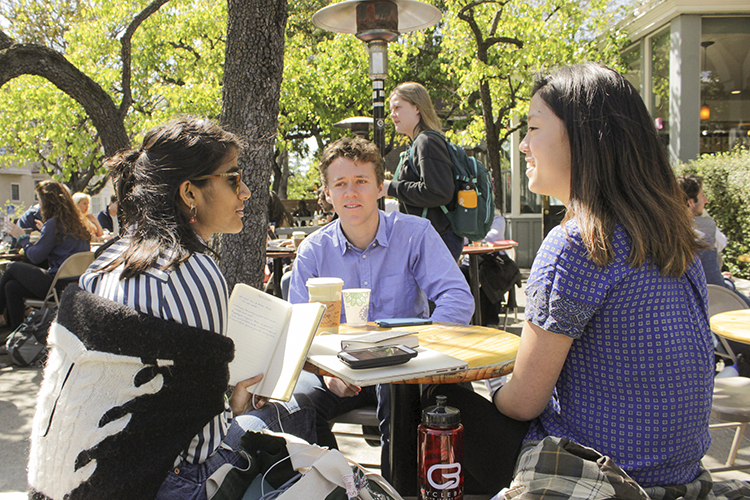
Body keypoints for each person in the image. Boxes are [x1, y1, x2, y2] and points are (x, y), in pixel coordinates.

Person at [423, 63, 717, 497]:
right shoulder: (677, 237)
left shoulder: (577, 243)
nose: (523, 144)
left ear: (581, 139)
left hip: (602, 476)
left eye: (534, 128)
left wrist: (494, 386)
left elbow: (524, 402)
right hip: (680, 473)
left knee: (426, 396)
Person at [27, 118, 316, 500]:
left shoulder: (109, 256)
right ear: (189, 192)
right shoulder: (192, 270)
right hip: (161, 480)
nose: (245, 191)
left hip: (71, 474)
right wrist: (232, 404)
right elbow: (203, 444)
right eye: (233, 178)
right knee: (302, 407)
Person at [289, 136, 473, 479]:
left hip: (403, 365)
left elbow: (456, 297)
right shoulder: (314, 250)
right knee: (294, 404)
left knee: (400, 395)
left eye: (361, 182)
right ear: (327, 193)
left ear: (380, 187)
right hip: (340, 370)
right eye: (340, 184)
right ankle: (342, 483)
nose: (350, 193)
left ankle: (396, 487)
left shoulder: (414, 233)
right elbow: (298, 327)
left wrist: (423, 351)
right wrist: (328, 372)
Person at [384, 82, 462, 261]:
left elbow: (439, 192)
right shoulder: (419, 143)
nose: (392, 114)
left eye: (397, 107)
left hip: (437, 239)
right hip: (432, 238)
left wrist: (391, 188)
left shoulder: (426, 142)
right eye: (391, 109)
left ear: (417, 108)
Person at [1, 180, 91, 329]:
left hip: (56, 286)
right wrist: (45, 232)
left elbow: (35, 256)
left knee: (11, 268)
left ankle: (0, 316)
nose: (39, 206)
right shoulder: (78, 223)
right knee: (11, 287)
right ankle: (16, 335)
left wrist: (22, 237)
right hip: (76, 284)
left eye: (39, 200)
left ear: (48, 203)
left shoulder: (54, 224)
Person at [677, 175, 750, 307]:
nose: (706, 200)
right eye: (703, 195)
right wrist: (728, 281)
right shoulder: (700, 239)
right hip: (705, 309)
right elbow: (717, 289)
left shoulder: (654, 236)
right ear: (690, 202)